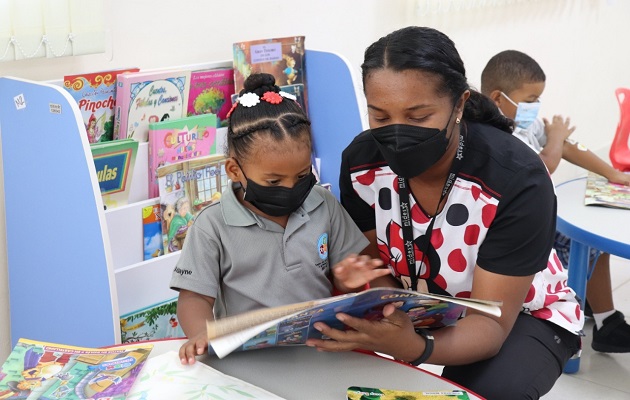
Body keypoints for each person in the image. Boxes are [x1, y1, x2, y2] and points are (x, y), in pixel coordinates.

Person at [304, 26, 583, 400]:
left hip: (522, 315)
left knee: (486, 391)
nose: (397, 133)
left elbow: (489, 326)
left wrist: (416, 346)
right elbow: (378, 265)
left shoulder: (518, 179)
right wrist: (366, 286)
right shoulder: (362, 163)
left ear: (460, 105)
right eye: (381, 117)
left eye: (418, 116)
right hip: (419, 306)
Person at [169, 73, 387, 365]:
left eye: (301, 176)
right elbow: (195, 297)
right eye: (273, 181)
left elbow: (340, 280)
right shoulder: (212, 225)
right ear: (234, 170)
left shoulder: (323, 203)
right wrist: (200, 333)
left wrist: (347, 281)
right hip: (248, 358)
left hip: (319, 352)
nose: (290, 188)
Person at [481, 49, 630, 353]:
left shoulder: (521, 122)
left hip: (534, 216)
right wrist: (557, 137)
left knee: (596, 244)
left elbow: (567, 147)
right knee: (587, 244)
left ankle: (603, 315)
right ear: (498, 98)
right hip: (514, 232)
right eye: (531, 99)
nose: (536, 107)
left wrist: (613, 173)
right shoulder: (495, 132)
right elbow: (543, 164)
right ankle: (602, 320)